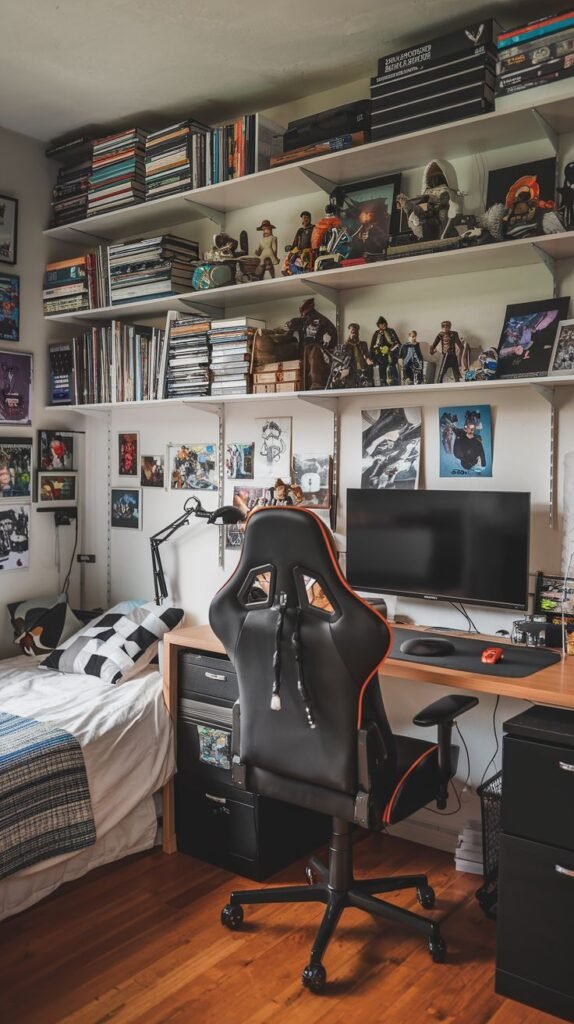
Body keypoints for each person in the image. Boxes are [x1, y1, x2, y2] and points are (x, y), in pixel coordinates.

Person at [285, 297, 337, 389]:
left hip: (316, 350)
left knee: (314, 360)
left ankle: (315, 383)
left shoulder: (321, 320)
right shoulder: (303, 320)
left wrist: (326, 343)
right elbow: (290, 332)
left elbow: (331, 335)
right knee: (305, 369)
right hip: (305, 350)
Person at [370, 316, 401, 386]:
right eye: (381, 324)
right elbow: (373, 346)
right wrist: (373, 355)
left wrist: (390, 350)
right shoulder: (376, 333)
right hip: (380, 354)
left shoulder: (391, 331)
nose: (383, 325)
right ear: (378, 325)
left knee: (391, 362)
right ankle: (383, 380)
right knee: (383, 362)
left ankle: (394, 380)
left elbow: (397, 343)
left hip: (391, 352)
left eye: (384, 323)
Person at [342, 323, 373, 388]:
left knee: (363, 387)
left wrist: (368, 360)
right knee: (350, 387)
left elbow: (366, 355)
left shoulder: (363, 344)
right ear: (349, 332)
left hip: (361, 370)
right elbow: (343, 357)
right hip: (350, 371)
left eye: (355, 330)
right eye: (351, 330)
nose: (353, 332)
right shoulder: (346, 345)